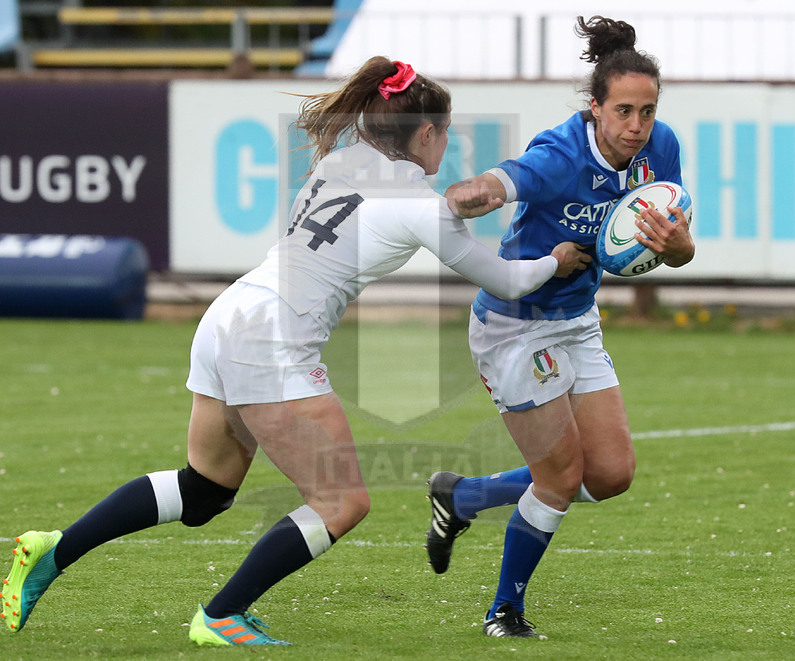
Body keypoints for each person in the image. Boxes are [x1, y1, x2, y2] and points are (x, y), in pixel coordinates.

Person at [2, 57, 589, 646]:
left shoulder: (342, 158)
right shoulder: (422, 206)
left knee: (205, 489)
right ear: (427, 133)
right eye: (446, 130)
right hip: (273, 339)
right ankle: (220, 615)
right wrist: (556, 260)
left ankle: (53, 550)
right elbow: (509, 282)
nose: (449, 142)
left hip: (230, 315)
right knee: (342, 502)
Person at [425, 16, 696, 639]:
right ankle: (504, 612)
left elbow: (673, 253)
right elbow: (499, 183)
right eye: (624, 111)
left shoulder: (663, 149)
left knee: (610, 474)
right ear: (595, 107)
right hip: (515, 329)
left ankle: (462, 498)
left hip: (576, 320)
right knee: (558, 478)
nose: (637, 126)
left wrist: (677, 246)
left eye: (648, 111)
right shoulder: (560, 154)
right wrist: (468, 196)